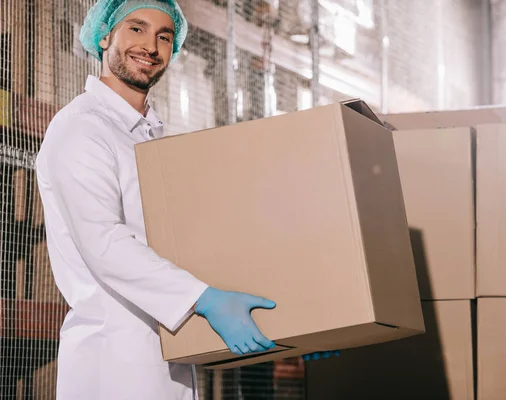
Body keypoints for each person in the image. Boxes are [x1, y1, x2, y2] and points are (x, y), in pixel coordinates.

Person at [35, 1, 332, 399]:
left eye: (164, 36)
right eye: (136, 29)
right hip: (115, 363)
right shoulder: (81, 129)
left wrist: (294, 306)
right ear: (105, 35)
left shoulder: (148, 136)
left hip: (170, 353)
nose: (151, 46)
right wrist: (204, 299)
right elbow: (104, 244)